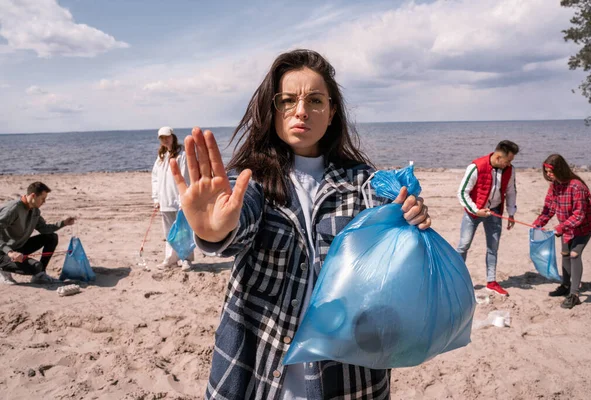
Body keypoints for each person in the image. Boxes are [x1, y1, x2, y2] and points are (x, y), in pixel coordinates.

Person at [170, 49, 431, 399]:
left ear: (332, 111)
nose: (301, 111)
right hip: (257, 369)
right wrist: (212, 230)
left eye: (316, 100)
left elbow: (393, 240)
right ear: (272, 110)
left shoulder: (363, 184)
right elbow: (235, 227)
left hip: (348, 375)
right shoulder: (254, 182)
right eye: (288, 100)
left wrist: (411, 218)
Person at [533, 154, 591, 309]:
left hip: (583, 227)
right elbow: (548, 208)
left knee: (575, 255)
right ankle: (565, 285)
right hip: (567, 227)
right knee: (565, 254)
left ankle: (574, 294)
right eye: (546, 171)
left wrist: (560, 228)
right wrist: (538, 224)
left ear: (560, 169)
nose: (548, 174)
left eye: (551, 171)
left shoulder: (577, 186)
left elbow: (579, 214)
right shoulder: (554, 185)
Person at [456, 140, 519, 296]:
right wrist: (476, 211)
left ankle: (491, 282)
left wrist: (511, 213)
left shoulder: (510, 170)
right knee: (463, 245)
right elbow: (462, 192)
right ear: (498, 157)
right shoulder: (476, 167)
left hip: (495, 212)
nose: (509, 164)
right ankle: (455, 279)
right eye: (508, 160)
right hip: (474, 212)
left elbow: (511, 191)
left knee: (493, 248)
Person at [0, 181, 76, 284]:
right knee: (36, 266)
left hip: (18, 248)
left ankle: (40, 275)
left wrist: (63, 223)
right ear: (33, 196)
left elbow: (44, 228)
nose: (44, 202)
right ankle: (3, 270)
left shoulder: (35, 210)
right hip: (4, 252)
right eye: (42, 199)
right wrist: (10, 252)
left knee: (51, 237)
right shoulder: (13, 209)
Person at [151, 126, 193, 271]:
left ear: (173, 136)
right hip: (165, 200)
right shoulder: (161, 157)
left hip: (179, 200)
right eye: (162, 138)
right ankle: (170, 259)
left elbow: (185, 178)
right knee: (169, 232)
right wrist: (156, 198)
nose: (165, 140)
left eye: (167, 137)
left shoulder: (182, 155)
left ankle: (185, 259)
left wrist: (184, 198)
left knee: (183, 231)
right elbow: (155, 179)